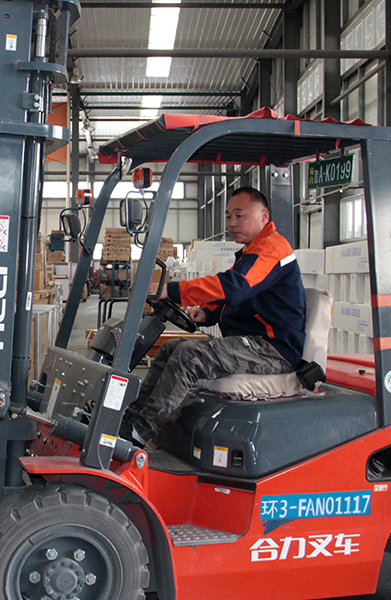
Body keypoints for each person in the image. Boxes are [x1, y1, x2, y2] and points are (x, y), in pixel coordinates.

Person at [127, 186, 308, 444]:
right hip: (250, 343)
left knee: (190, 356)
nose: (232, 223)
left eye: (240, 215)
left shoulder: (272, 249)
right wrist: (206, 313)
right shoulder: (252, 250)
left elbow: (234, 287)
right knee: (170, 349)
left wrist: (171, 290)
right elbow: (238, 297)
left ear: (264, 216)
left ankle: (137, 436)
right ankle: (129, 421)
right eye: (228, 216)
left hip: (272, 350)